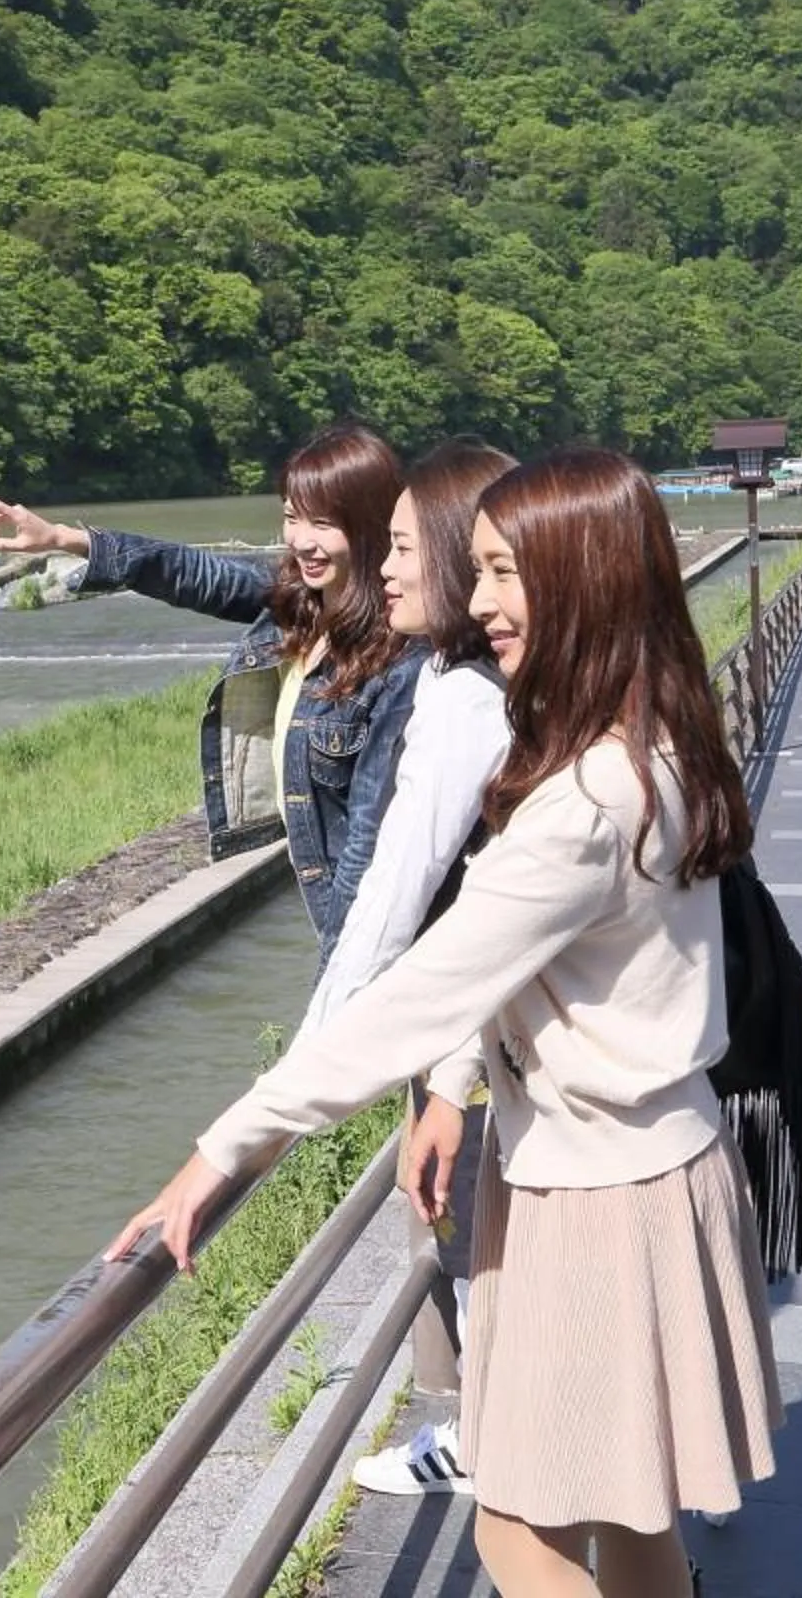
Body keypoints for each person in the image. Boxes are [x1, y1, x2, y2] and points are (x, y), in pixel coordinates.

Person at [109, 447, 781, 1598]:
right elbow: (516, 962)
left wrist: (222, 1150)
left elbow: (422, 987)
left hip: (595, 1201)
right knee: (629, 1518)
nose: (479, 604)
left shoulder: (583, 803)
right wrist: (460, 1079)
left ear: (583, 581)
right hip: (655, 1162)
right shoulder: (648, 742)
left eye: (505, 574)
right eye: (474, 571)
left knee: (515, 1534)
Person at [0, 425, 421, 972]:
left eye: (323, 524)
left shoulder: (398, 660)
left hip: (376, 940)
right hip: (339, 921)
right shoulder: (301, 607)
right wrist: (68, 540)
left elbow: (368, 846)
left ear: (372, 525)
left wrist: (341, 972)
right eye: (290, 516)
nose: (301, 540)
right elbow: (192, 573)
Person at [305, 437, 519, 1500]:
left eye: (398, 548)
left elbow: (396, 887)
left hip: (485, 1031)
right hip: (479, 1031)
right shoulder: (464, 675)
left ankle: (498, 1446)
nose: (382, 570)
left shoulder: (470, 697)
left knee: (482, 1230)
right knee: (483, 1228)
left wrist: (302, 1072)